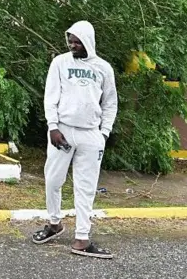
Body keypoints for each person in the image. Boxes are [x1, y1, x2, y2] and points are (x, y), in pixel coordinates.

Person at [32, 20, 118, 259]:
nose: (72, 45)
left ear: (88, 41)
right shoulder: (60, 62)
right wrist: (53, 127)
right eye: (70, 41)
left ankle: (82, 239)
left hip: (91, 134)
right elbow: (50, 97)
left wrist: (103, 133)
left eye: (77, 42)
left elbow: (110, 102)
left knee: (85, 187)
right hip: (63, 131)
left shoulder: (104, 68)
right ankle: (54, 223)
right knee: (53, 180)